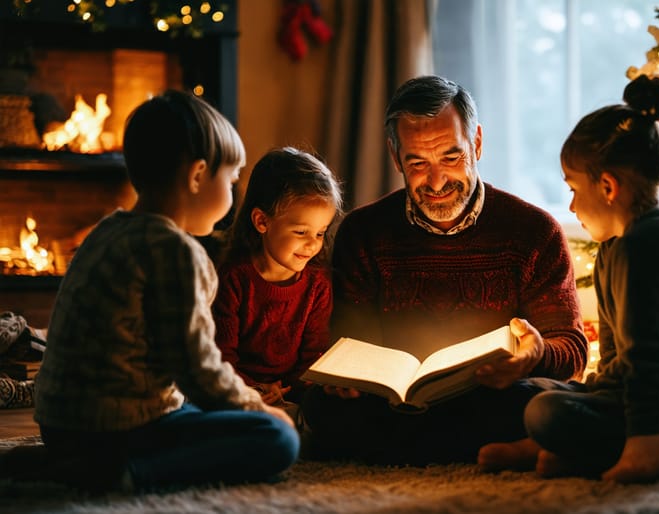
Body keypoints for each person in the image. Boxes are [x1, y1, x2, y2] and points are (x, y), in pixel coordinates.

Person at [477, 75, 659, 482]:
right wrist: (584, 395)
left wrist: (643, 443)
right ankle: (570, 448)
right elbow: (619, 362)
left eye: (572, 188)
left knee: (544, 412)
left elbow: (644, 361)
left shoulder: (647, 244)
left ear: (607, 186)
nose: (571, 204)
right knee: (533, 395)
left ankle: (649, 451)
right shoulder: (615, 248)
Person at [301, 75, 589, 465]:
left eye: (452, 157)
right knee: (322, 406)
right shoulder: (363, 232)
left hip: (492, 395)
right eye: (417, 163)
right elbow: (350, 340)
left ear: (478, 143)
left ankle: (409, 450)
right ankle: (491, 447)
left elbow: (571, 348)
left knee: (546, 401)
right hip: (395, 405)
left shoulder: (534, 232)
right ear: (394, 155)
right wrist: (346, 382)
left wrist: (533, 357)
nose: (436, 181)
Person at [27, 90, 299, 492]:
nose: (233, 194)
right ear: (196, 176)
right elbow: (197, 368)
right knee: (278, 438)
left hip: (60, 423)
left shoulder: (108, 230)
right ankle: (130, 474)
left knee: (191, 409)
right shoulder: (175, 251)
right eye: (231, 179)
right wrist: (255, 407)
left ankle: (72, 461)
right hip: (118, 430)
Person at [213, 147, 341, 410]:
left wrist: (293, 389)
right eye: (301, 231)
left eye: (320, 233)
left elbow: (312, 355)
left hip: (291, 391)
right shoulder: (234, 279)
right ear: (262, 221)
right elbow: (220, 357)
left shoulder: (317, 283)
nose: (312, 245)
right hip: (236, 389)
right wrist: (254, 389)